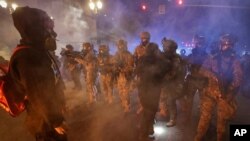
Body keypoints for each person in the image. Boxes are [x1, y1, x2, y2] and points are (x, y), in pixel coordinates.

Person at [10, 6, 67, 140]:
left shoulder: (38, 51)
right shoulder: (27, 56)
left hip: (50, 113)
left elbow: (52, 80)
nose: (52, 33)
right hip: (44, 122)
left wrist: (61, 102)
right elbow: (37, 93)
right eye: (46, 27)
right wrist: (55, 121)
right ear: (34, 29)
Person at [194, 34, 242, 141]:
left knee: (222, 121)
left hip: (225, 94)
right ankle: (198, 137)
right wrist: (213, 76)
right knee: (204, 118)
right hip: (210, 92)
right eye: (224, 45)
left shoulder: (235, 62)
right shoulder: (213, 58)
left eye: (229, 45)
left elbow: (238, 78)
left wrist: (230, 89)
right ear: (220, 45)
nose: (226, 47)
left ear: (232, 46)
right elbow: (202, 70)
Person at [134, 32, 169, 140]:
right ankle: (143, 135)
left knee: (147, 112)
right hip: (152, 92)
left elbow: (137, 72)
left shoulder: (142, 60)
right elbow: (165, 69)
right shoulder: (158, 62)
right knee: (148, 114)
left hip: (143, 91)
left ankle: (147, 130)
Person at [159, 38, 186, 127]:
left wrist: (160, 77)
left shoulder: (176, 59)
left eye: (165, 47)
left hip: (175, 83)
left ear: (170, 48)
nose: (164, 49)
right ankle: (165, 114)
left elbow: (172, 74)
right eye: (164, 47)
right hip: (166, 83)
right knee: (162, 98)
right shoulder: (165, 56)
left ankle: (173, 119)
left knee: (171, 100)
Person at [184, 34, 208, 120]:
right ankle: (187, 118)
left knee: (204, 102)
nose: (199, 45)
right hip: (192, 80)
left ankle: (203, 120)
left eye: (201, 44)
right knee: (189, 101)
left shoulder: (207, 57)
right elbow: (185, 65)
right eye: (198, 44)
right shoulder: (191, 55)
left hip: (202, 81)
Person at [113, 39, 134, 113]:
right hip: (119, 76)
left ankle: (127, 107)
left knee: (126, 93)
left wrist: (123, 69)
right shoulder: (117, 54)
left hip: (125, 76)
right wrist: (116, 68)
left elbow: (131, 67)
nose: (120, 46)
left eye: (121, 45)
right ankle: (123, 104)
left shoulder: (129, 54)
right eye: (119, 45)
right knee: (120, 91)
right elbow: (114, 63)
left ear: (124, 45)